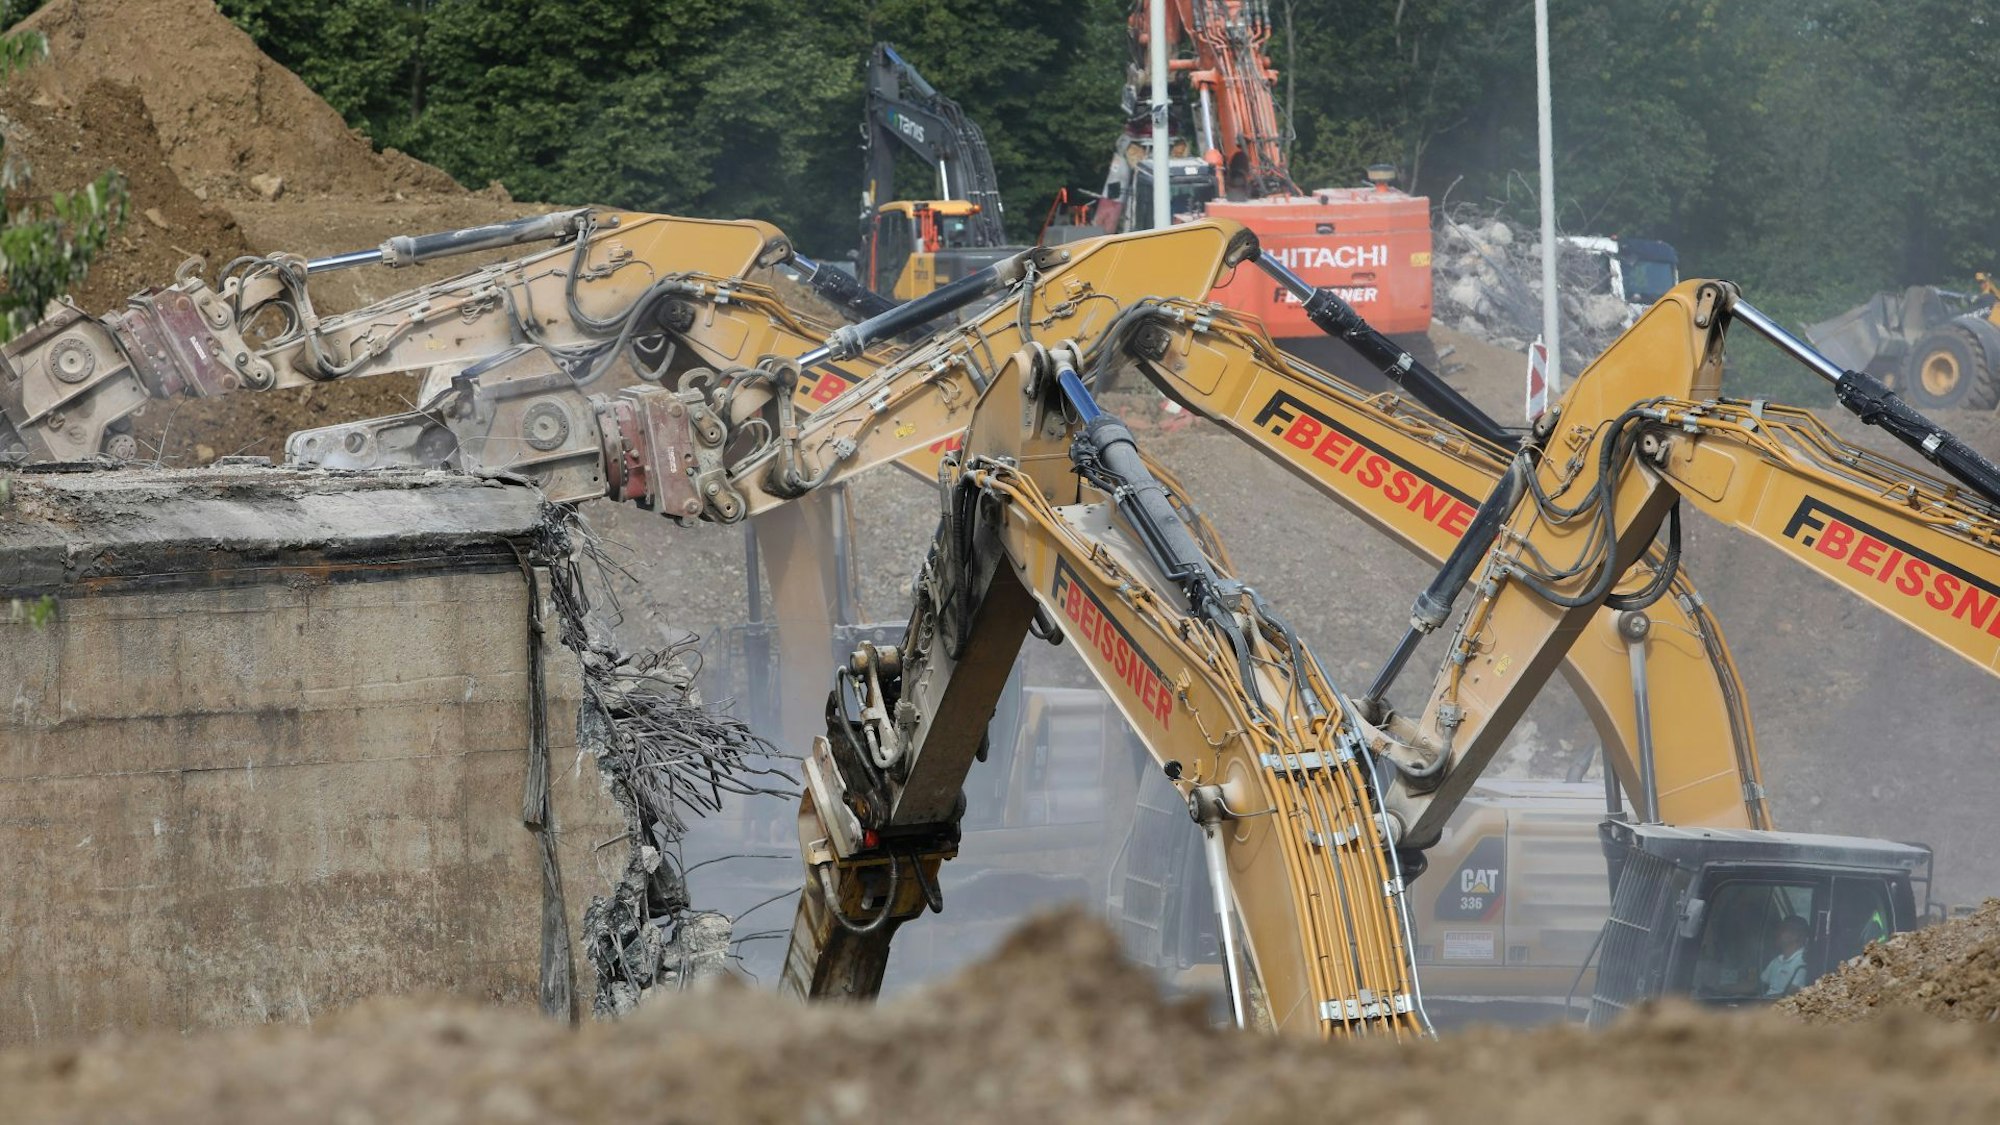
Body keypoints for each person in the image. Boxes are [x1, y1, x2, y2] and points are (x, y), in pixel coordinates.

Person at [1761, 916, 1812, 998]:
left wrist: (1760, 1002)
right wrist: (1733, 988)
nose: (1776, 933)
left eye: (1782, 930)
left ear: (1795, 936)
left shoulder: (1802, 962)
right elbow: (1758, 983)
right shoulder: (1777, 960)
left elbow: (1790, 995)